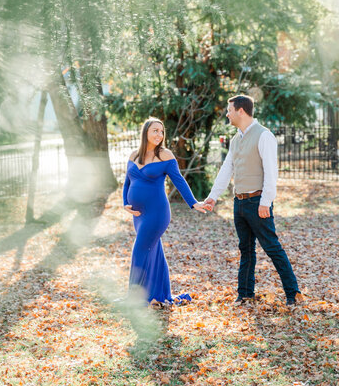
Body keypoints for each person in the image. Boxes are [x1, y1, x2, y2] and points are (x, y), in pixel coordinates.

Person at [204, 95, 301, 307]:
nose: (227, 114)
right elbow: (226, 169)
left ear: (241, 111)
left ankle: (293, 293)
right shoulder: (235, 139)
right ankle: (245, 294)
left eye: (229, 110)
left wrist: (266, 201)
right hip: (239, 203)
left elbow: (271, 171)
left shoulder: (264, 136)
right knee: (245, 249)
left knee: (272, 247)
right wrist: (213, 197)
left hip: (258, 202)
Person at [123, 117, 205, 306]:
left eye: (162, 131)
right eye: (155, 131)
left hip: (157, 213)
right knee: (154, 251)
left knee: (140, 250)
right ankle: (158, 295)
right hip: (138, 215)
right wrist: (124, 203)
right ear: (146, 133)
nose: (159, 135)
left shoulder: (166, 155)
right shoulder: (134, 155)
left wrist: (193, 203)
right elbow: (127, 182)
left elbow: (179, 181)